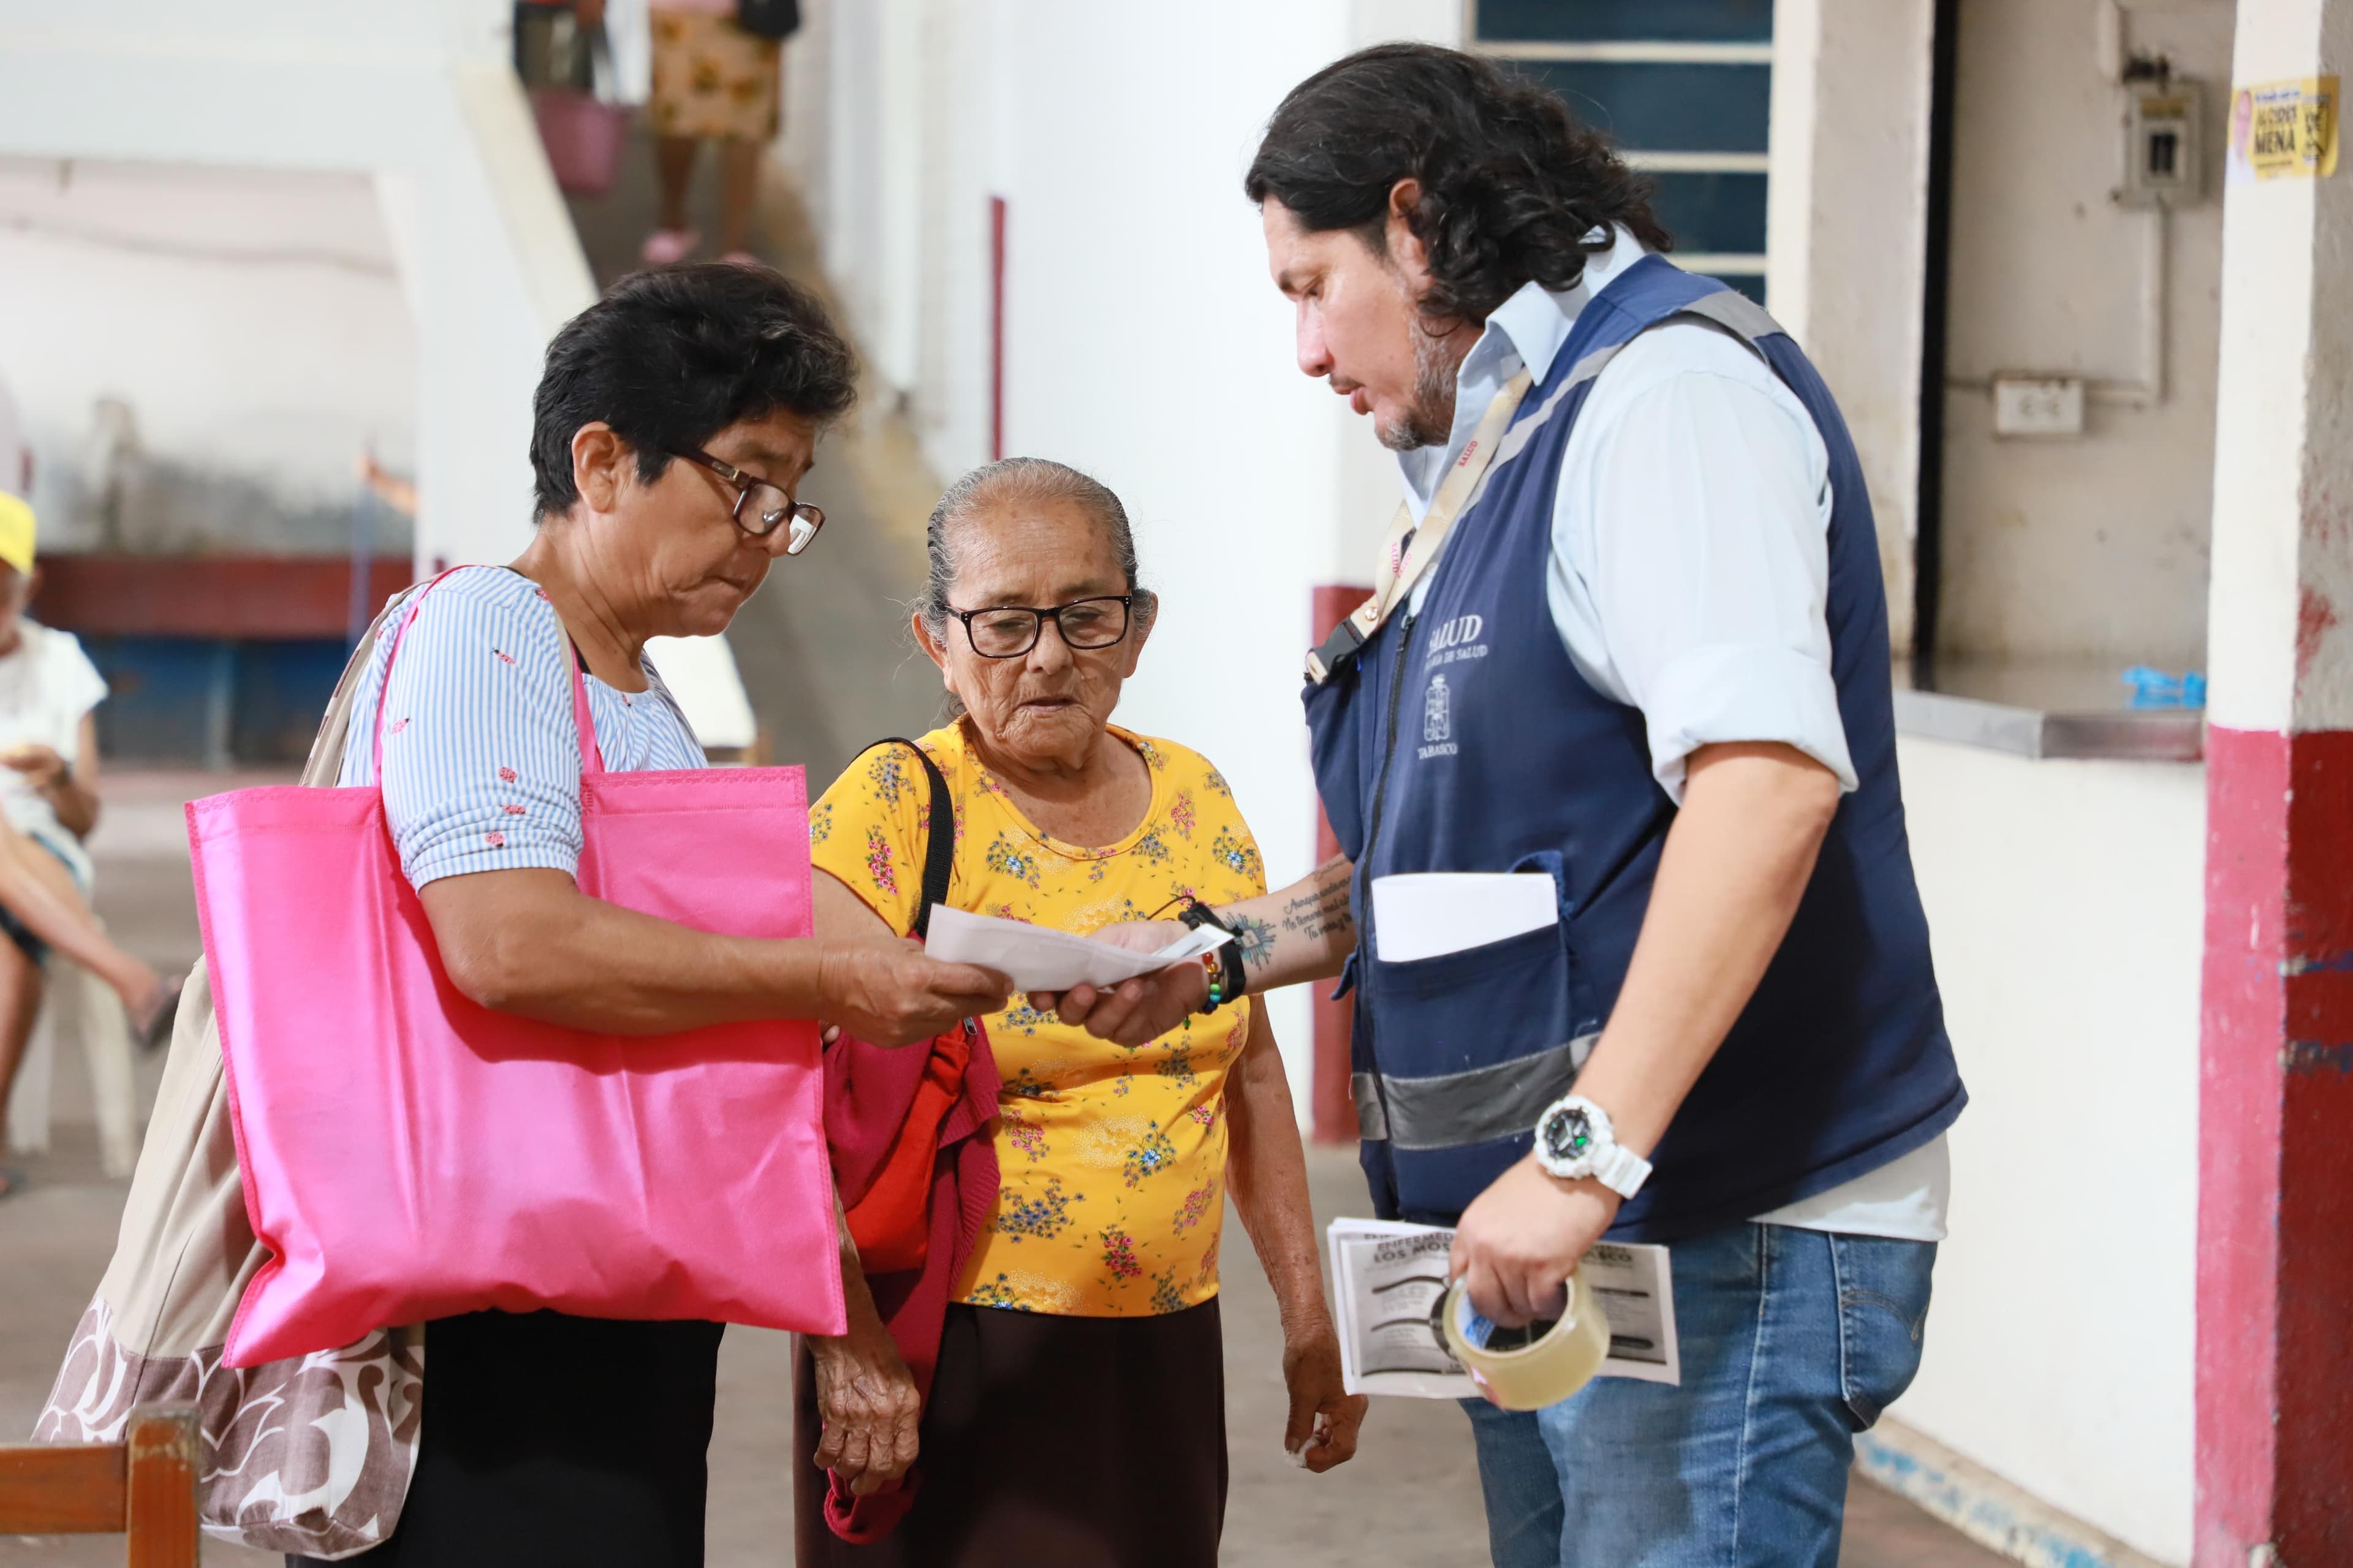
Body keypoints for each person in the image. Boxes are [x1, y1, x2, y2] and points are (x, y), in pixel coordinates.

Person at [1042, 44, 1966, 1568]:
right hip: (1572, 1225)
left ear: (1411, 227)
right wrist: (1216, 952)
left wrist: (1584, 1153)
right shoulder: (1503, 443)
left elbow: (1765, 788)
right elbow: (1508, 862)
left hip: (1711, 1216)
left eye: (1304, 284)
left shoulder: (1664, 400)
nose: (1303, 349)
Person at [289, 263, 1010, 1568]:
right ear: (605, 460)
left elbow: (706, 1038)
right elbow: (507, 941)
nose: (764, 532)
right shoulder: (489, 629)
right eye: (745, 483)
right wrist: (828, 984)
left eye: (789, 502)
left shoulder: (643, 697)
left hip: (606, 1283)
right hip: (489, 1316)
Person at [804, 456, 1366, 1565]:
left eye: (1087, 614)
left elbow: (1248, 1068)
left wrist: (1309, 1320)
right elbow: (780, 1094)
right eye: (1005, 621)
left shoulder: (1197, 797)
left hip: (1162, 1341)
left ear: (1139, 625)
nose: (1051, 653)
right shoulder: (893, 805)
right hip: (947, 1349)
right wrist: (847, 1340)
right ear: (937, 640)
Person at [0, 480, 180, 1200]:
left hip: (45, 852)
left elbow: (84, 817)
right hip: (29, 870)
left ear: (29, 583)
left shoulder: (61, 663)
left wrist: (57, 777)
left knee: (13, 964)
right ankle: (134, 981)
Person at [637, 0, 785, 265]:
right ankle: (673, 221)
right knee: (675, 123)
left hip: (749, 15)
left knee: (743, 130)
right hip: (677, 13)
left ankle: (735, 245)